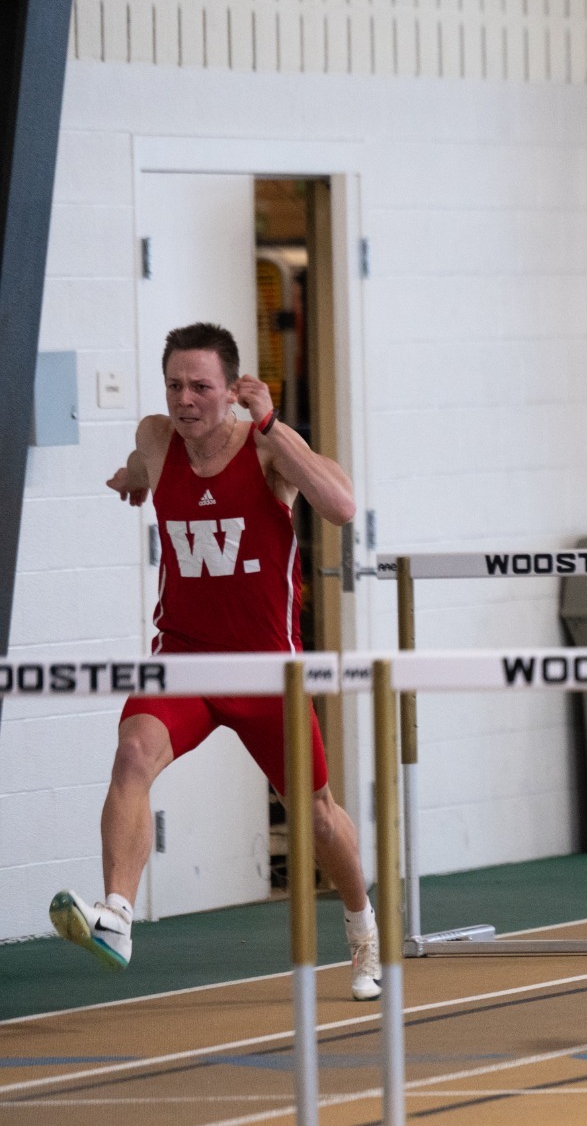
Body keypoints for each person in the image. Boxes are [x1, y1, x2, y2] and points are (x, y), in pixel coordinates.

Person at [49, 323, 382, 1001]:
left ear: (231, 391)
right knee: (132, 756)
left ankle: (362, 928)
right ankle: (117, 915)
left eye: (201, 386)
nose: (185, 399)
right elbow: (145, 467)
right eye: (175, 384)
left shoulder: (266, 453)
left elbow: (342, 506)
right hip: (185, 659)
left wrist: (273, 425)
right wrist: (128, 480)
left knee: (317, 814)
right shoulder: (156, 436)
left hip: (267, 671)